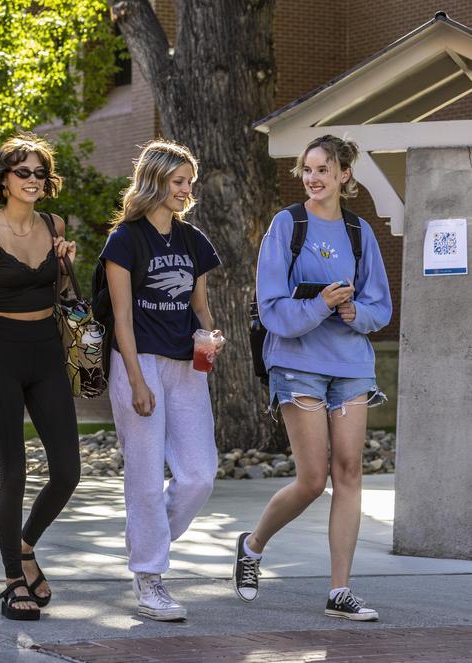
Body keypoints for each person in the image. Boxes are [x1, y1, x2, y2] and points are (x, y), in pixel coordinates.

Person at [233, 135, 392, 621]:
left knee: (349, 472)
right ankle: (253, 545)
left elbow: (379, 306)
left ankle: (339, 591)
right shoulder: (287, 225)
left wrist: (350, 311)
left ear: (345, 175)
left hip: (350, 367)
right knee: (311, 478)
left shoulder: (360, 231)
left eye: (323, 169)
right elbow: (273, 307)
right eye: (306, 169)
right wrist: (319, 304)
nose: (313, 177)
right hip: (297, 363)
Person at [0, 132, 79, 621]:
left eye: (39, 173)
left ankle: (26, 546)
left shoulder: (54, 225)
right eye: (22, 172)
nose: (32, 180)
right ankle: (13, 580)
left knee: (68, 471)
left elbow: (66, 295)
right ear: (4, 179)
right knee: (14, 473)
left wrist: (67, 263)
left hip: (48, 351)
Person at [101, 139, 223, 621]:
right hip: (140, 362)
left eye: (189, 182)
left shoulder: (193, 240)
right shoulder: (125, 239)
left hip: (187, 365)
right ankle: (149, 577)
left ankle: (144, 541)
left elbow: (199, 306)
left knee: (199, 476)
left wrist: (210, 336)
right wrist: (135, 379)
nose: (186, 190)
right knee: (146, 480)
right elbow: (121, 317)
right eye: (178, 181)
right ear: (154, 181)